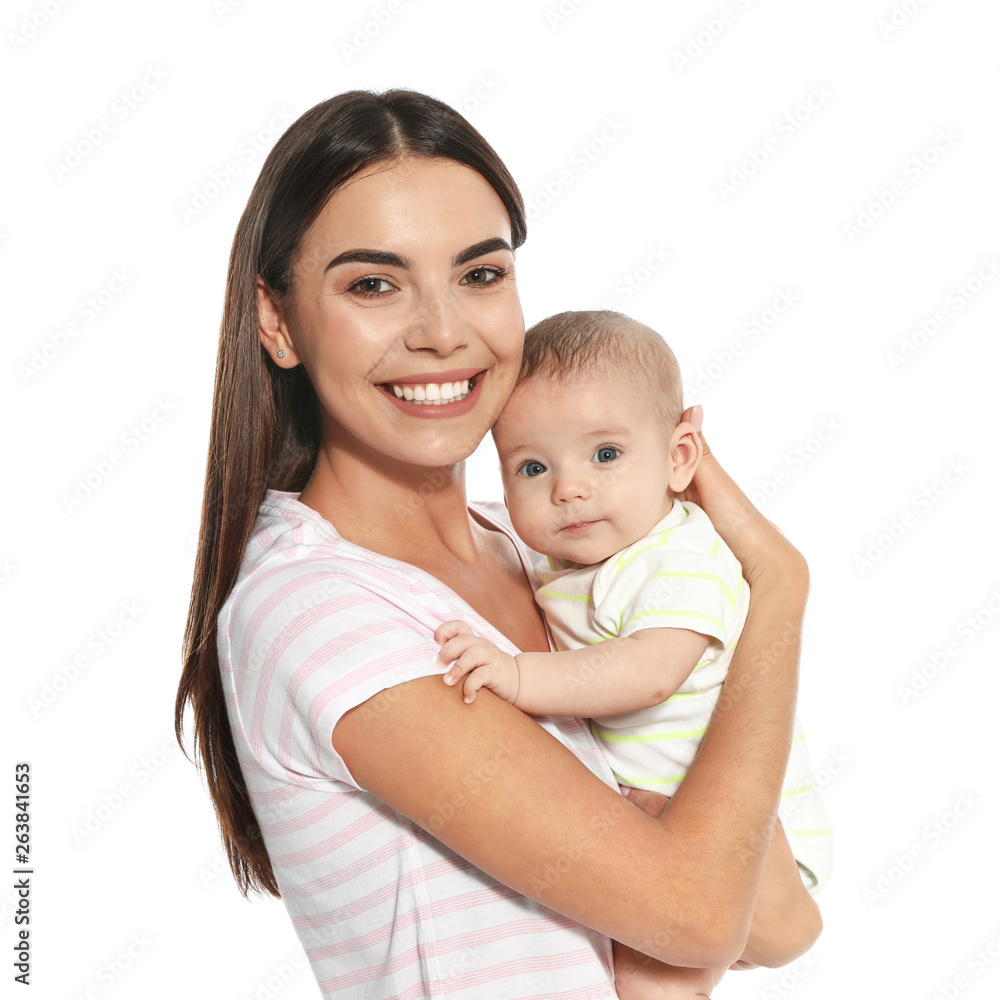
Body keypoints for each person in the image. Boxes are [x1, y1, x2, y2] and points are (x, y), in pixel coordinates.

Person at [175, 88, 821, 1000]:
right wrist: (778, 597)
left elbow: (779, 920)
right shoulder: (317, 610)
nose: (443, 333)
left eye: (480, 274)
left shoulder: (543, 558)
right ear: (276, 322)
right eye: (373, 284)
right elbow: (698, 912)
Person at [434, 309, 832, 997]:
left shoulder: (677, 556)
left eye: (606, 455)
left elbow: (649, 674)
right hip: (663, 829)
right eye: (532, 466)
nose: (569, 487)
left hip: (753, 833)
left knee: (653, 982)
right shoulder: (558, 560)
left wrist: (519, 676)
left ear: (680, 457)